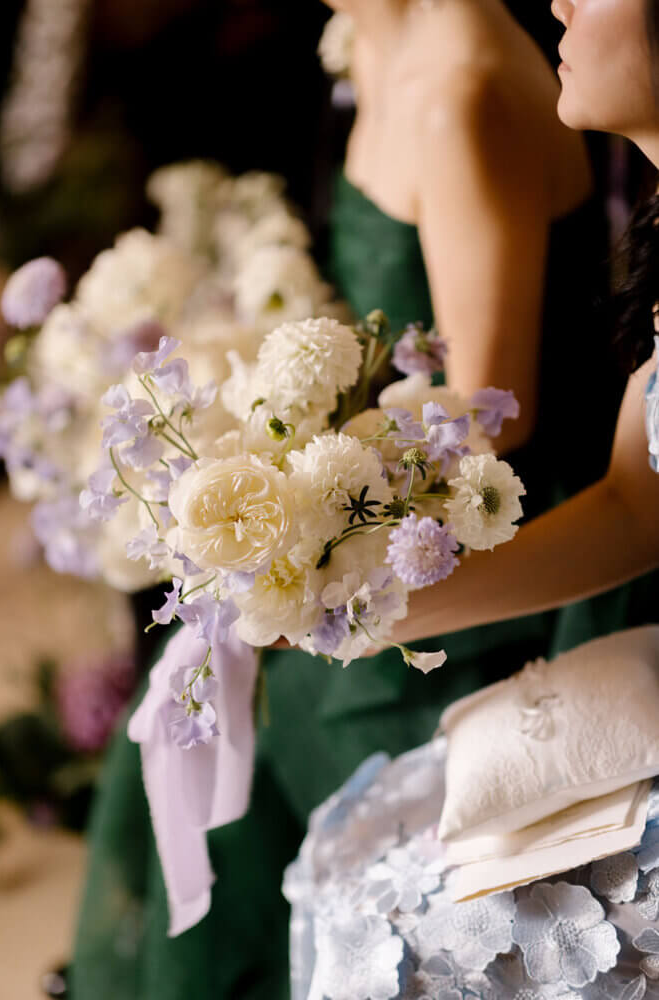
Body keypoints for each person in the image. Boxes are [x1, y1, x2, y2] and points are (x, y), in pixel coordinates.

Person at [71, 1, 617, 998]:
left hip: (493, 538)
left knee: (259, 696)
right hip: (395, 483)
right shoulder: (366, 31)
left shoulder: (463, 88)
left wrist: (283, 477)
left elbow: (498, 407)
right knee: (198, 689)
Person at [284, 0, 659, 993]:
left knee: (404, 927)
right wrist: (376, 604)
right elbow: (635, 506)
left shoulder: (471, 91)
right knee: (344, 855)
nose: (559, 1)